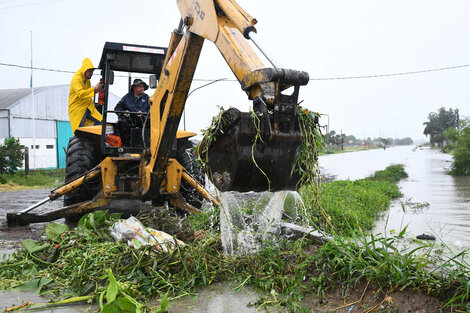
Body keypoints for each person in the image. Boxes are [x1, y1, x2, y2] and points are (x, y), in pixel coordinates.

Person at [68, 58, 103, 134]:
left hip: (87, 107)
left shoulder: (87, 80)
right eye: (90, 71)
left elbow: (88, 93)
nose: (91, 73)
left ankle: (97, 141)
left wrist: (97, 89)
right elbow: (81, 93)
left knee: (101, 122)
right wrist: (94, 89)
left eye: (92, 71)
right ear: (85, 69)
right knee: (80, 131)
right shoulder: (76, 78)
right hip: (78, 109)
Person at [115, 78, 150, 146]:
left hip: (143, 121)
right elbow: (118, 108)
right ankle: (126, 146)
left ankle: (148, 145)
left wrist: (143, 112)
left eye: (143, 87)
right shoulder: (127, 97)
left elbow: (151, 109)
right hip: (130, 121)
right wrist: (124, 112)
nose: (142, 88)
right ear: (134, 87)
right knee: (121, 123)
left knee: (152, 122)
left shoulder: (147, 98)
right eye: (140, 86)